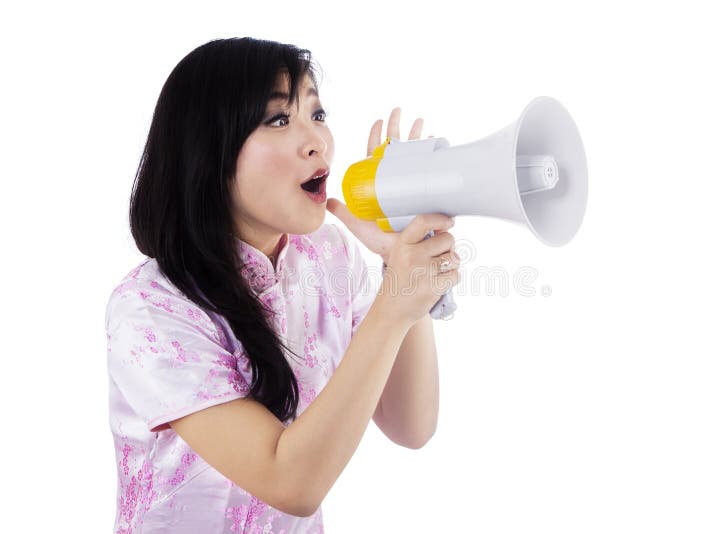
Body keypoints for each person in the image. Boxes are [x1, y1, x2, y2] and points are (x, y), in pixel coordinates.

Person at [105, 37, 461, 533]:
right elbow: (291, 482)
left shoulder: (328, 254)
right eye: (279, 119)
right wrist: (393, 305)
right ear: (211, 151)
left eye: (317, 114)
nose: (318, 140)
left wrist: (399, 263)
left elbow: (411, 424)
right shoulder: (149, 308)